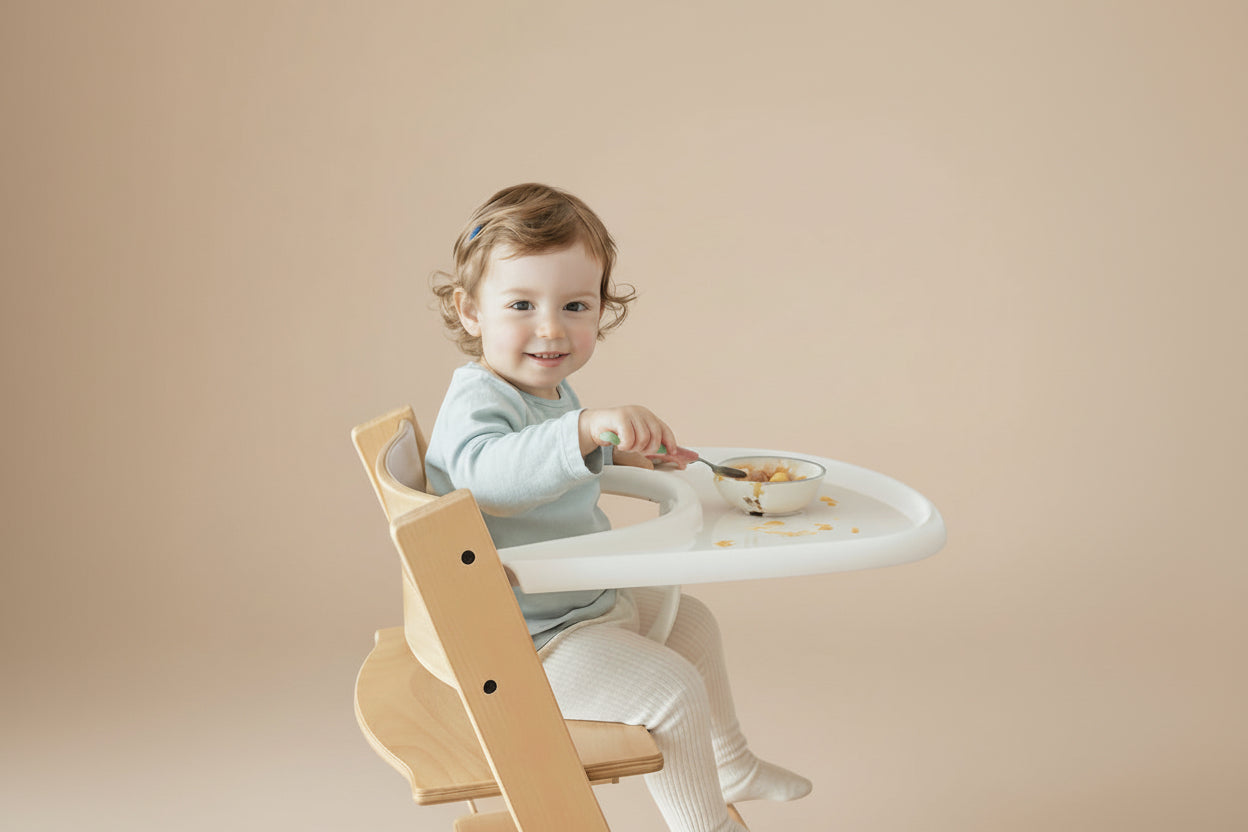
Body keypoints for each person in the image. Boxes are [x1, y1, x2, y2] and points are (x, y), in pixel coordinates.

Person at [425, 183, 811, 832]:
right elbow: (489, 478)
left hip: (575, 604)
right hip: (524, 642)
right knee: (671, 689)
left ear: (602, 311)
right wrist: (583, 430)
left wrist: (616, 456)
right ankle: (705, 826)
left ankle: (733, 762)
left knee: (695, 625)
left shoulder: (545, 390)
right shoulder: (477, 398)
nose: (551, 328)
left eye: (575, 305)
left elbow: (545, 479)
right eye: (521, 304)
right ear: (470, 312)